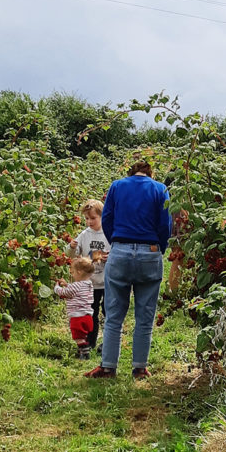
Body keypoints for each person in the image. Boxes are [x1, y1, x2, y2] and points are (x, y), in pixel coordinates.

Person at [85, 160, 172, 380]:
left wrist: (117, 242)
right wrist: (158, 248)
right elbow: (165, 224)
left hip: (120, 251)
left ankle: (108, 367)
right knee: (145, 316)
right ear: (150, 174)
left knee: (114, 314)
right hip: (149, 252)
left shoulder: (117, 186)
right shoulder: (160, 189)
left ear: (131, 173)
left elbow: (107, 218)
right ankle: (140, 369)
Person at [68, 199, 109, 351]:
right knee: (91, 312)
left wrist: (109, 256)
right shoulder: (84, 235)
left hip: (106, 280)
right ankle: (91, 342)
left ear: (102, 217)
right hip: (89, 283)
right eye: (87, 218)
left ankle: (107, 343)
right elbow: (74, 254)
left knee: (108, 312)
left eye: (93, 218)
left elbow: (115, 252)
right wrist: (71, 247)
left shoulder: (108, 233)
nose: (89, 222)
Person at [55, 258, 97, 359]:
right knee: (82, 336)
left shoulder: (76, 286)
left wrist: (56, 288)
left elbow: (64, 293)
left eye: (73, 272)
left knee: (78, 338)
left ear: (79, 272)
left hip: (78, 317)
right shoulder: (89, 284)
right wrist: (67, 285)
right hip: (87, 317)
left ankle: (84, 353)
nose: (72, 275)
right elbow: (76, 289)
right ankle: (82, 351)